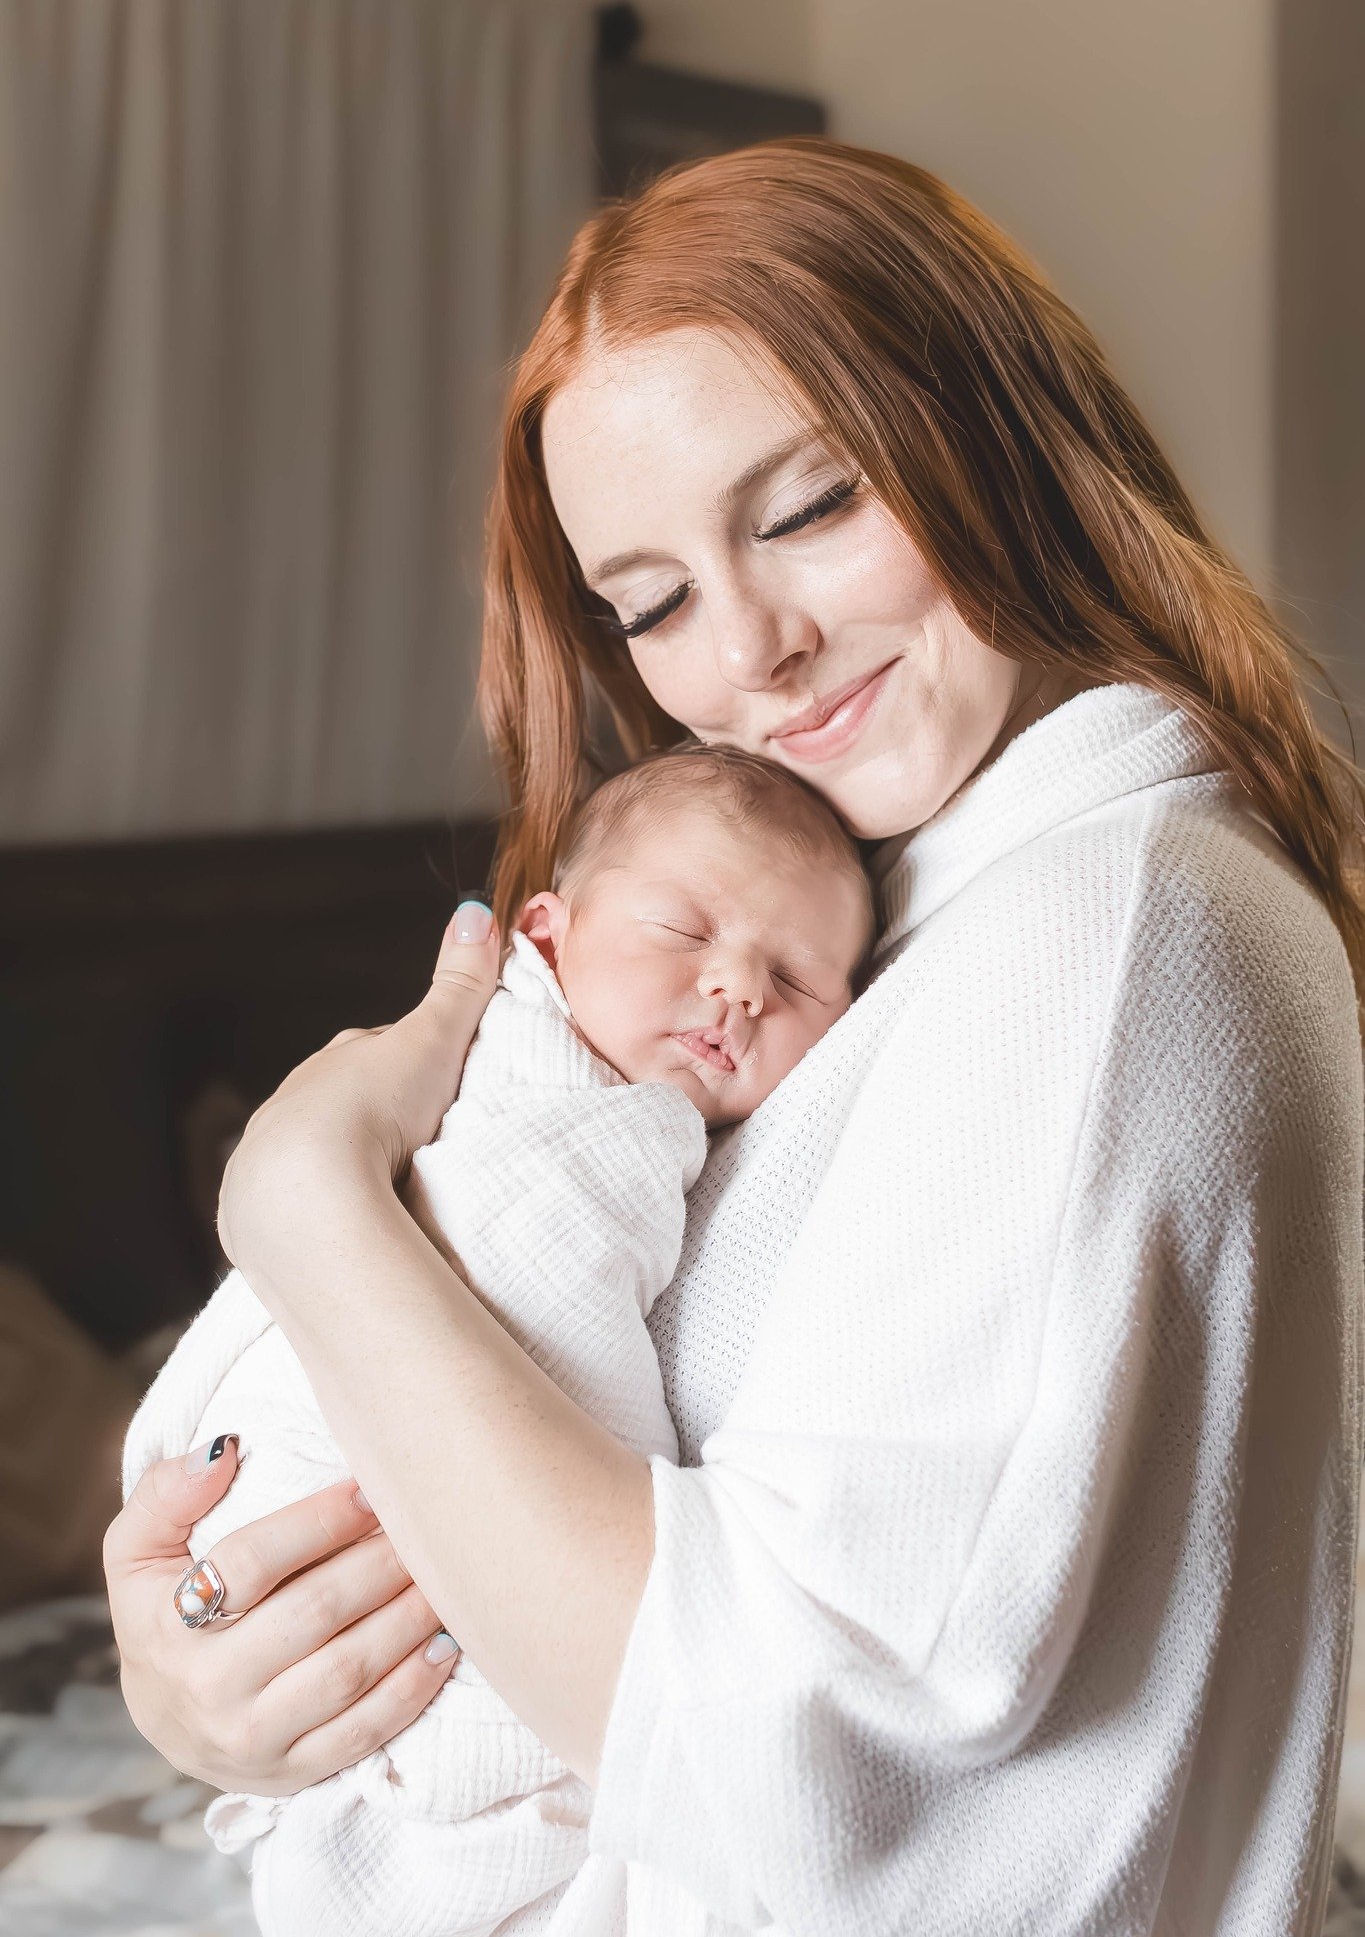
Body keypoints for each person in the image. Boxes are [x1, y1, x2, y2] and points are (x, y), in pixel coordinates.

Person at [103, 139, 1365, 1935]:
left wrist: (308, 1205)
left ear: (992, 426)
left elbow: (788, 1749)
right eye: (656, 600)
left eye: (809, 506)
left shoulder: (1106, 928)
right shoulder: (905, 905)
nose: (754, 653)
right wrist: (212, 1677)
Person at [120, 745, 874, 1936]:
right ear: (544, 931)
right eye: (683, 930)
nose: (737, 987)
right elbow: (513, 1265)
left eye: (797, 978)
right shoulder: (512, 1089)